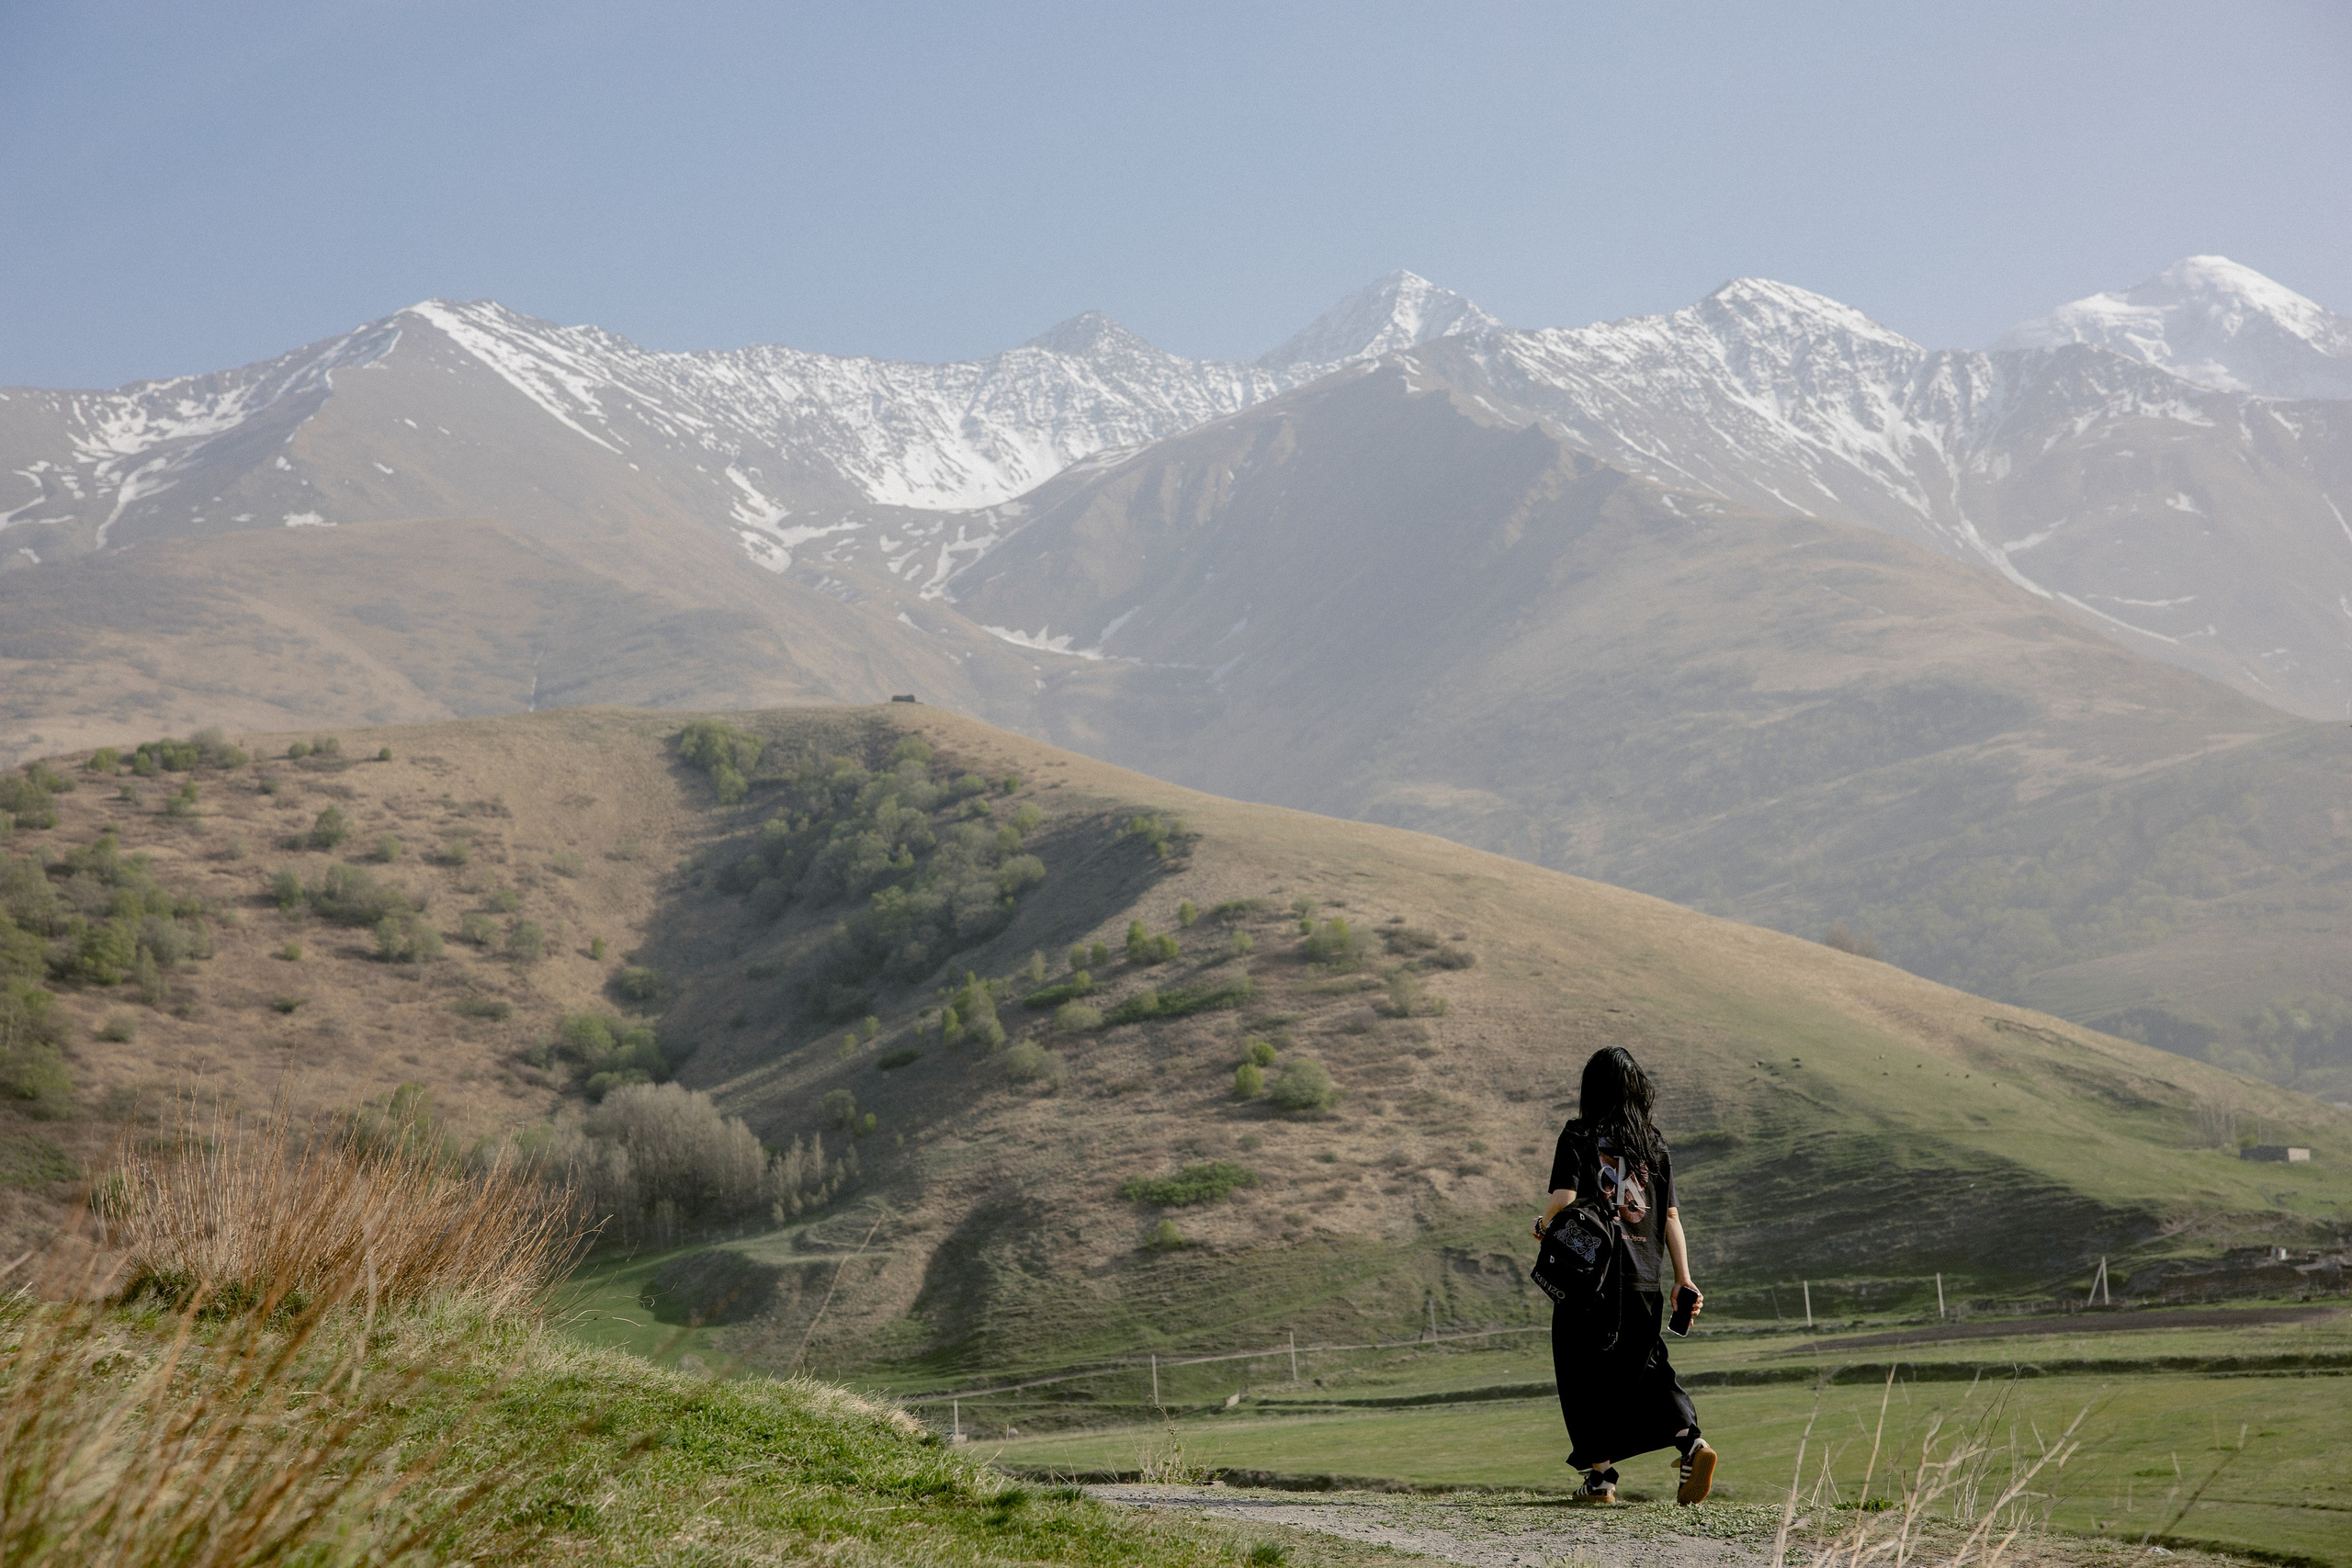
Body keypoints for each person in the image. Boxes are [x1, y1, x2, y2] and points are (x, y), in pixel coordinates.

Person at [1532, 1045, 1715, 1506]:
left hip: (1589, 1283)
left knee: (1582, 1376)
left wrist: (1541, 1224)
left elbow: (1564, 1196)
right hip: (1643, 1282)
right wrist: (1683, 1279)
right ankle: (1691, 1443)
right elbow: (1670, 1216)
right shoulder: (1654, 1145)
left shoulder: (1579, 1133)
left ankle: (1600, 1480)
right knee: (1649, 1368)